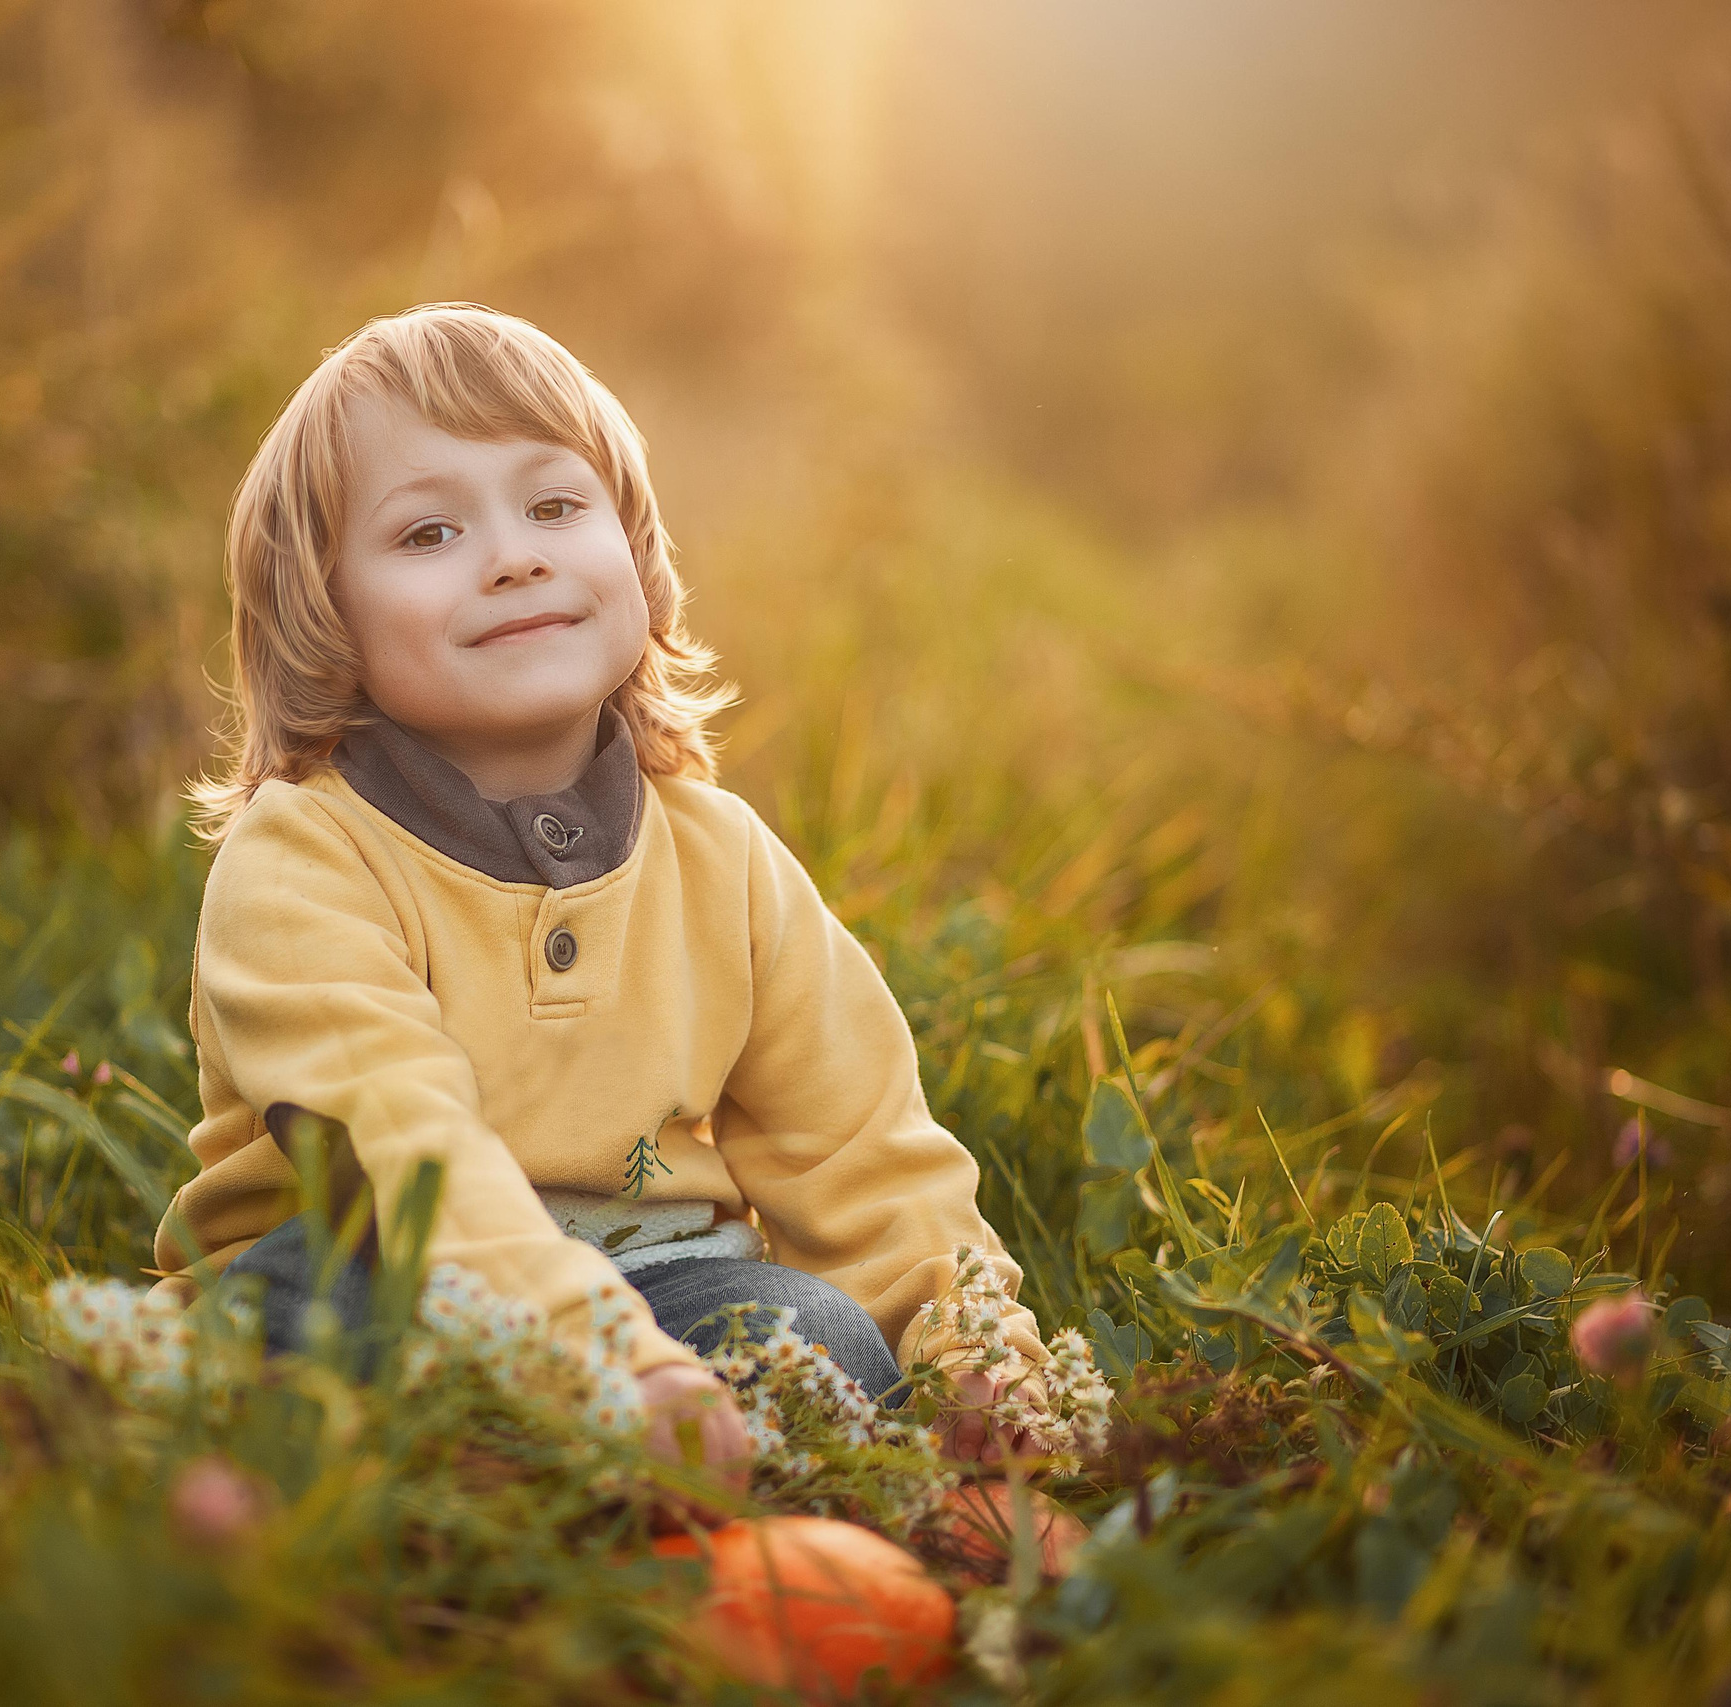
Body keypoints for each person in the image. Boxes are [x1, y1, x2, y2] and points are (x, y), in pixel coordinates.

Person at [153, 302, 1060, 1481]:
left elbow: (864, 1152)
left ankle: (621, 1501)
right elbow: (400, 1150)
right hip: (370, 1262)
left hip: (668, 1288)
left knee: (824, 1344)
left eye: (555, 506)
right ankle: (456, 1494)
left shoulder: (722, 861)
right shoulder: (305, 861)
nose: (513, 554)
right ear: (325, 616)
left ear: (635, 553)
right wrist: (600, 1363)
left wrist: (977, 1360)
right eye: (428, 534)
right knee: (288, 1332)